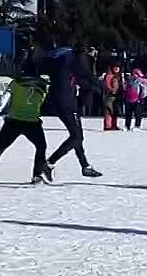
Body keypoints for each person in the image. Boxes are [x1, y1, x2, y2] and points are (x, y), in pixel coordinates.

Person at [0, 56, 50, 186]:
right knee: (41, 147)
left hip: (14, 120)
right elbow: (44, 100)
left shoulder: (16, 82)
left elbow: (5, 97)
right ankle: (37, 175)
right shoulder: (42, 85)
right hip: (32, 121)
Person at [43, 47, 103, 180]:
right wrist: (101, 85)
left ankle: (85, 166)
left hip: (64, 102)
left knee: (78, 137)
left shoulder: (63, 66)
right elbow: (87, 74)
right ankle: (49, 163)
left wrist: (92, 87)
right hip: (66, 104)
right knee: (76, 136)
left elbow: (80, 80)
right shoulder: (69, 61)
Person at [102, 65, 122, 130]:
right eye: (115, 68)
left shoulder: (116, 75)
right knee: (109, 110)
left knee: (113, 110)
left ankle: (112, 125)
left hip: (114, 95)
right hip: (111, 95)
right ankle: (109, 125)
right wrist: (113, 90)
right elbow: (108, 85)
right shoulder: (110, 76)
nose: (116, 69)